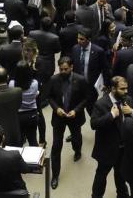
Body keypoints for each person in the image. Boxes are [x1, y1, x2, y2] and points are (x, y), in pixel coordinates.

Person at [47, 57, 93, 189]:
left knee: (76, 137)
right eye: (61, 69)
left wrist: (76, 110)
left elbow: (86, 98)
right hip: (59, 117)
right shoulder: (54, 79)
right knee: (56, 146)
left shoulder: (81, 80)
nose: (63, 71)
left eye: (66, 69)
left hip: (74, 117)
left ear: (72, 67)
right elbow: (49, 97)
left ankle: (77, 151)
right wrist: (57, 109)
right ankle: (55, 175)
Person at [90, 76, 133, 198]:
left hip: (123, 149)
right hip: (107, 149)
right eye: (122, 89)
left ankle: (123, 195)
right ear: (113, 89)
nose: (126, 91)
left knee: (121, 175)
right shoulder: (101, 104)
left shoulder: (128, 100)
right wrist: (111, 115)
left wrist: (132, 112)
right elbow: (94, 124)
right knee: (101, 175)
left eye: (127, 88)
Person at [9, 60, 40, 146]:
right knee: (33, 140)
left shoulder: (12, 84)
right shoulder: (34, 83)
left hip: (18, 115)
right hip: (32, 114)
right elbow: (36, 93)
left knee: (19, 141)